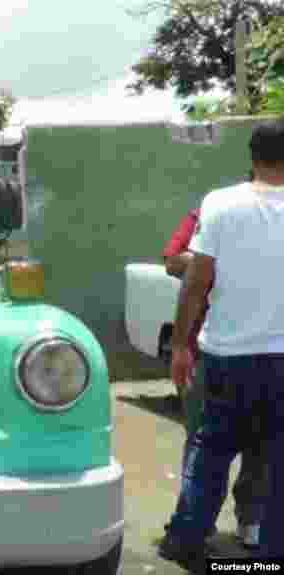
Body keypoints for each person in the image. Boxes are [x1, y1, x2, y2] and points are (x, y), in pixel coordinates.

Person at [158, 119, 284, 568]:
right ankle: (269, 552)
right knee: (275, 457)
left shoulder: (220, 204)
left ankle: (186, 540)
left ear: (251, 156)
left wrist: (178, 347)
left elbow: (196, 281)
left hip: (225, 357)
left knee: (209, 451)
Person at [161, 195, 268, 553]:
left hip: (267, 353)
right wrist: (216, 256)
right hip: (206, 351)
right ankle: (192, 526)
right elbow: (173, 260)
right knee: (202, 441)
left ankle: (251, 519)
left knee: (262, 446)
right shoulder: (208, 214)